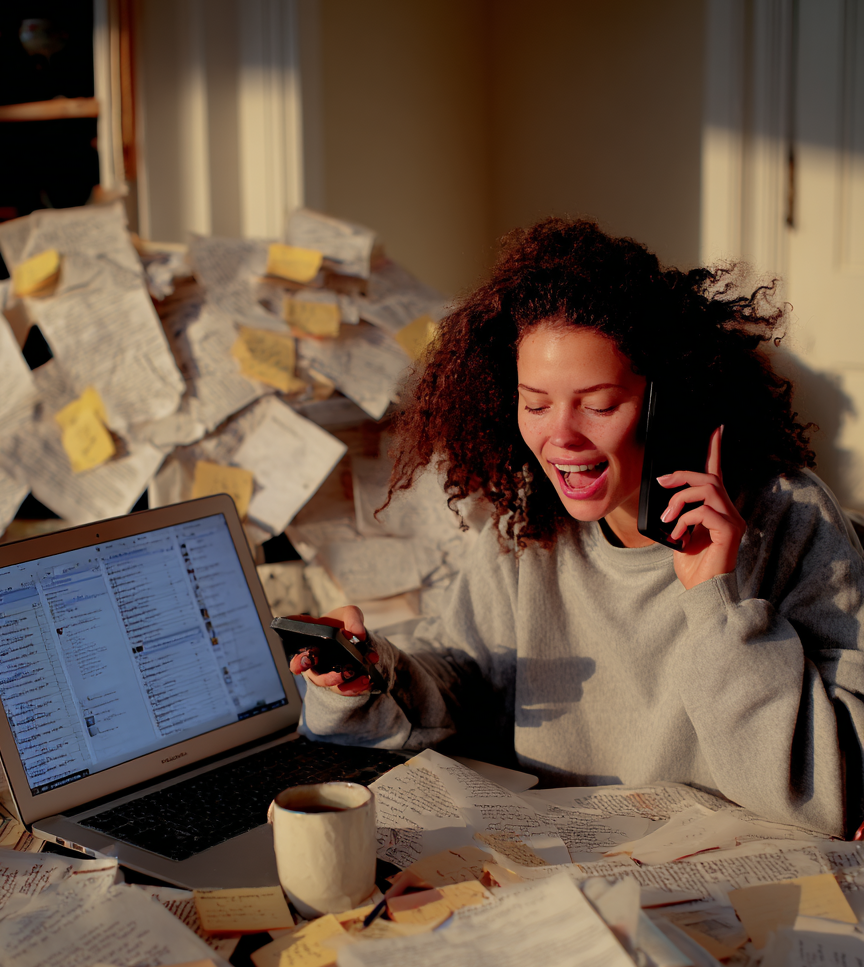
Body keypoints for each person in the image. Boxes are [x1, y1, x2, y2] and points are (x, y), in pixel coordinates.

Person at [291, 219, 864, 838]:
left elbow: (834, 793)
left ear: (670, 403)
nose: (559, 437)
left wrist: (715, 603)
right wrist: (366, 676)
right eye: (534, 404)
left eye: (597, 405)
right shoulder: (526, 527)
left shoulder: (792, 518)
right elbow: (464, 685)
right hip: (560, 869)